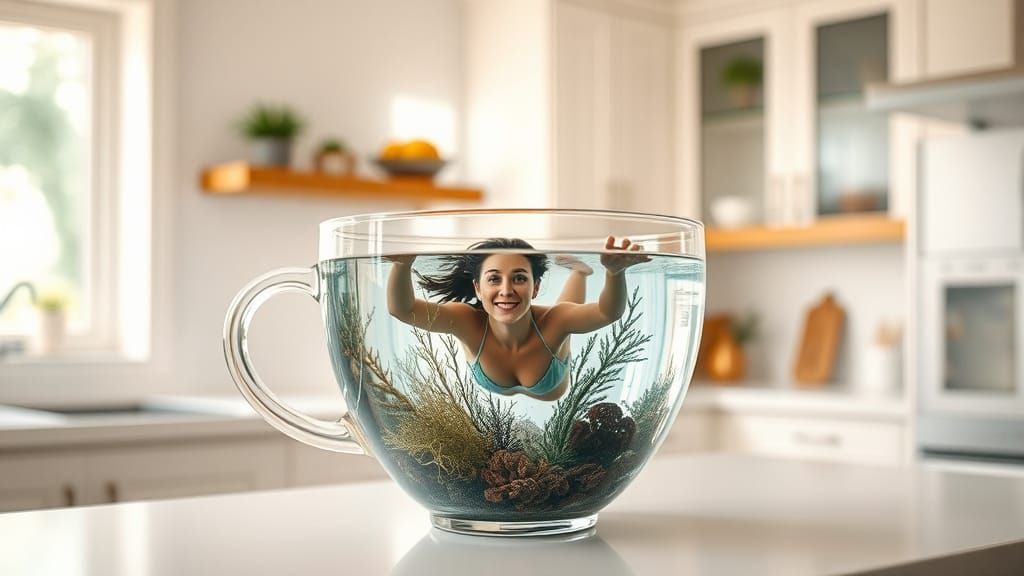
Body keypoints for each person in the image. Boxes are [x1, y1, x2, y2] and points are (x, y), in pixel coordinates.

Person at [386, 236, 649, 400]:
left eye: (520, 278)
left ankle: (579, 273)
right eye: (494, 278)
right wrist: (402, 265)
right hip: (544, 335)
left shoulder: (553, 322)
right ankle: (579, 272)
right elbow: (403, 309)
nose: (506, 290)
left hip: (552, 381)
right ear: (478, 288)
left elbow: (607, 312)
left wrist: (615, 273)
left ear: (535, 287)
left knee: (563, 315)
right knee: (563, 314)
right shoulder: (466, 322)